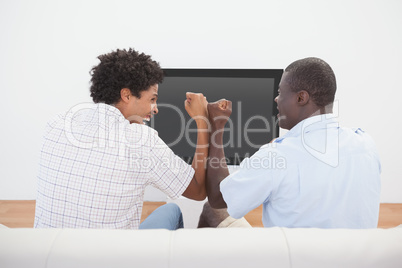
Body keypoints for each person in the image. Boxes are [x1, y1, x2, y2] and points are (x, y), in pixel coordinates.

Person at [34, 48, 209, 230]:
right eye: (152, 99)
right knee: (172, 210)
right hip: (112, 256)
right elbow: (197, 190)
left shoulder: (56, 124)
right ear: (126, 95)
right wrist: (202, 119)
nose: (155, 108)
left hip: (48, 251)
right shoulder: (141, 141)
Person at [204, 57, 381, 229]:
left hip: (290, 258)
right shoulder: (365, 144)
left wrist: (217, 126)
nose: (276, 99)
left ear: (301, 98)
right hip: (358, 258)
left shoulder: (278, 156)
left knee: (211, 211)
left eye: (280, 93)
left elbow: (218, 198)